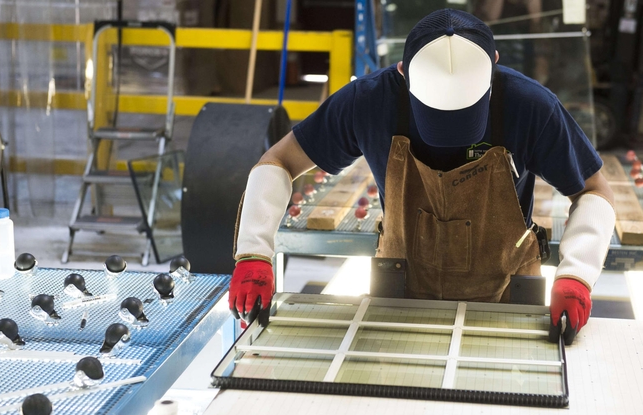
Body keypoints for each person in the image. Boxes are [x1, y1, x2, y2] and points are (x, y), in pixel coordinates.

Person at [228, 8, 615, 344]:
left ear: (493, 65)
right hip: (398, 291)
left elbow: (594, 188)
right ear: (402, 72)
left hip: (507, 295)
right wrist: (253, 251)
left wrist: (576, 275)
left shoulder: (530, 108)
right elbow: (279, 161)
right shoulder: (368, 103)